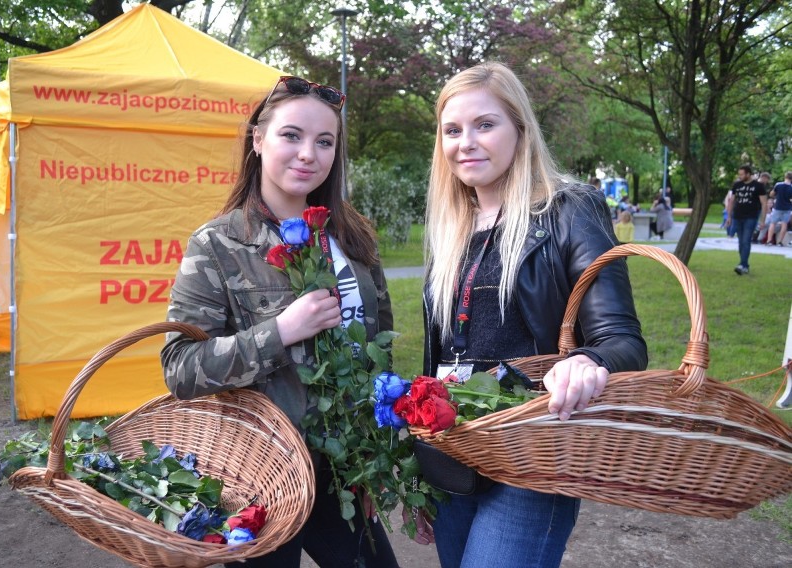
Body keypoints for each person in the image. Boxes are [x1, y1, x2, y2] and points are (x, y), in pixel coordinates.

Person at [160, 75, 402, 568]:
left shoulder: (355, 240)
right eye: (291, 135)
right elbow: (180, 369)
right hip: (260, 476)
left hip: (342, 471)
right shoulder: (217, 244)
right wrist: (281, 332)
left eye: (324, 141)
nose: (308, 153)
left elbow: (379, 356)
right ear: (258, 140)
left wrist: (372, 462)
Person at [420, 62, 648, 568]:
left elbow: (624, 341)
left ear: (520, 129)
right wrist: (422, 464)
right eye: (452, 131)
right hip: (455, 451)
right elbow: (437, 355)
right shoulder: (449, 227)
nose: (466, 143)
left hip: (533, 455)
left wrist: (588, 361)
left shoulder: (571, 210)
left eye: (485, 124)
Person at [725, 164, 767, 274]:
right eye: (739, 174)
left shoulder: (758, 186)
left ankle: (743, 265)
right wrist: (729, 216)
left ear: (748, 174)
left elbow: (764, 203)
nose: (740, 176)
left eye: (742, 174)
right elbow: (732, 201)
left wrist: (763, 220)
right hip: (738, 216)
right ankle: (744, 264)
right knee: (740, 241)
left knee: (746, 241)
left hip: (751, 217)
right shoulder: (737, 185)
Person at [766, 171, 792, 246]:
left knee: (772, 223)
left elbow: (771, 194)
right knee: (784, 224)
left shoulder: (778, 185)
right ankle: (780, 242)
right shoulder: (791, 187)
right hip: (787, 208)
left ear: (785, 177)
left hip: (777, 207)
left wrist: (776, 196)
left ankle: (769, 240)